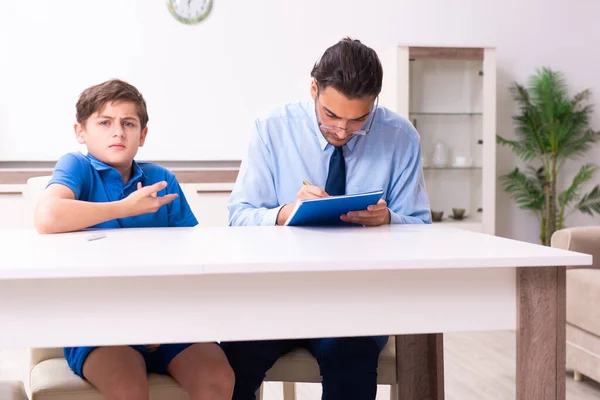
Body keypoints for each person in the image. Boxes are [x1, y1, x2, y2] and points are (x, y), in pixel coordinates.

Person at [223, 38, 431, 399]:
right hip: (280, 293)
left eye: (358, 121)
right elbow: (239, 217)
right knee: (232, 360)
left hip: (358, 298)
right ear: (313, 89)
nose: (341, 131)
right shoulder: (271, 129)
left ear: (375, 101)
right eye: (331, 116)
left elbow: (421, 228)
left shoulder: (400, 137)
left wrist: (388, 220)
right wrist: (284, 212)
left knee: (350, 356)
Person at [34, 79, 234, 400]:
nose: (118, 132)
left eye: (129, 124)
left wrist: (164, 320)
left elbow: (190, 252)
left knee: (219, 378)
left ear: (142, 135)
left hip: (165, 320)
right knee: (128, 388)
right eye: (105, 123)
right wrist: (125, 207)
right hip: (100, 328)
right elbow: (47, 217)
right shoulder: (77, 166)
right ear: (80, 131)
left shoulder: (161, 179)